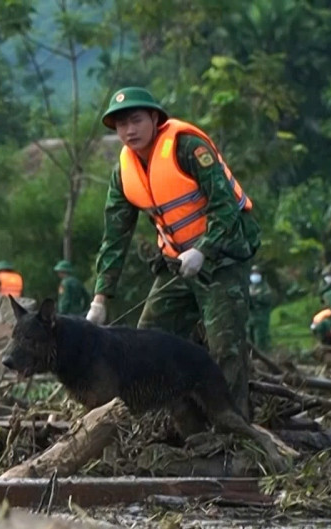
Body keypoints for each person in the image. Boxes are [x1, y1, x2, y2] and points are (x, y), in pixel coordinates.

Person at [85, 86, 261, 414]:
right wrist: (101, 298)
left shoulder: (187, 147)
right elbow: (115, 238)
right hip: (177, 264)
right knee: (147, 342)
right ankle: (178, 421)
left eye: (136, 120)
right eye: (121, 125)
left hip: (222, 258)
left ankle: (234, 431)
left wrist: (204, 250)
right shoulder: (123, 172)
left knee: (225, 348)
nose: (129, 130)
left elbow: (226, 206)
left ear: (154, 118)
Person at [246, 265, 274, 352]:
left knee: (260, 342)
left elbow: (267, 299)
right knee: (249, 342)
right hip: (250, 319)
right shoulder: (249, 287)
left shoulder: (265, 287)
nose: (254, 275)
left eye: (257, 273)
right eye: (253, 273)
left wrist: (255, 297)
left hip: (261, 320)